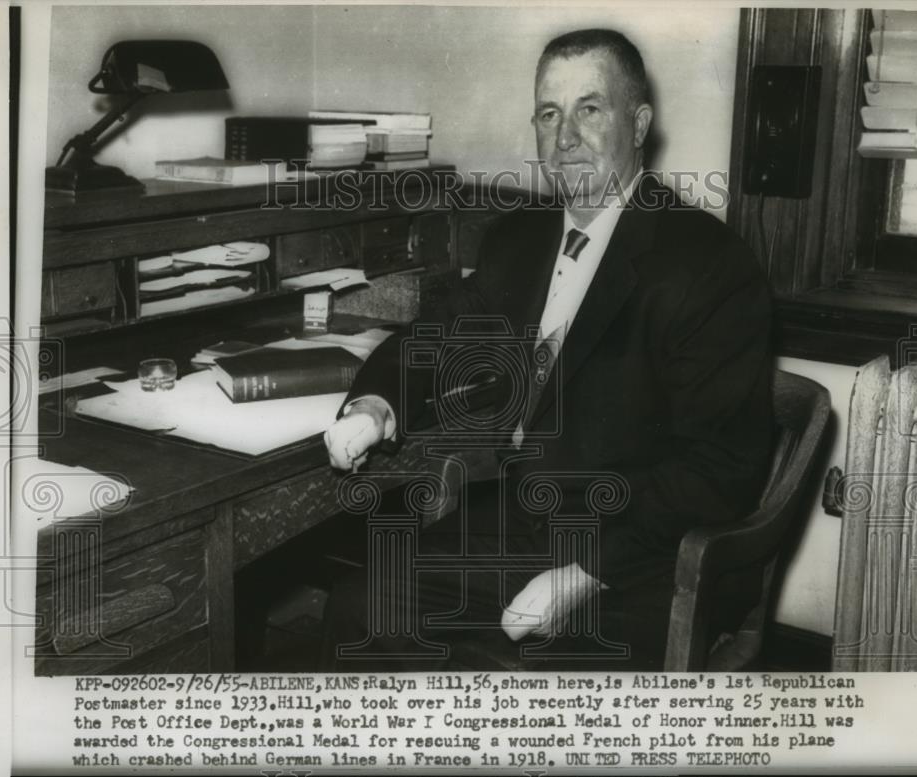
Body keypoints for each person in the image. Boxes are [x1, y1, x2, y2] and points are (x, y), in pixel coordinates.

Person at [320, 28, 773, 671]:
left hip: (645, 559)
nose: (565, 137)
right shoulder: (520, 239)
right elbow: (439, 336)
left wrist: (582, 573)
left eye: (590, 109)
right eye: (548, 113)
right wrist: (374, 404)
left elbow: (720, 467)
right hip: (520, 522)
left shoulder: (706, 262)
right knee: (360, 609)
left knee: (517, 690)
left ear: (638, 123)